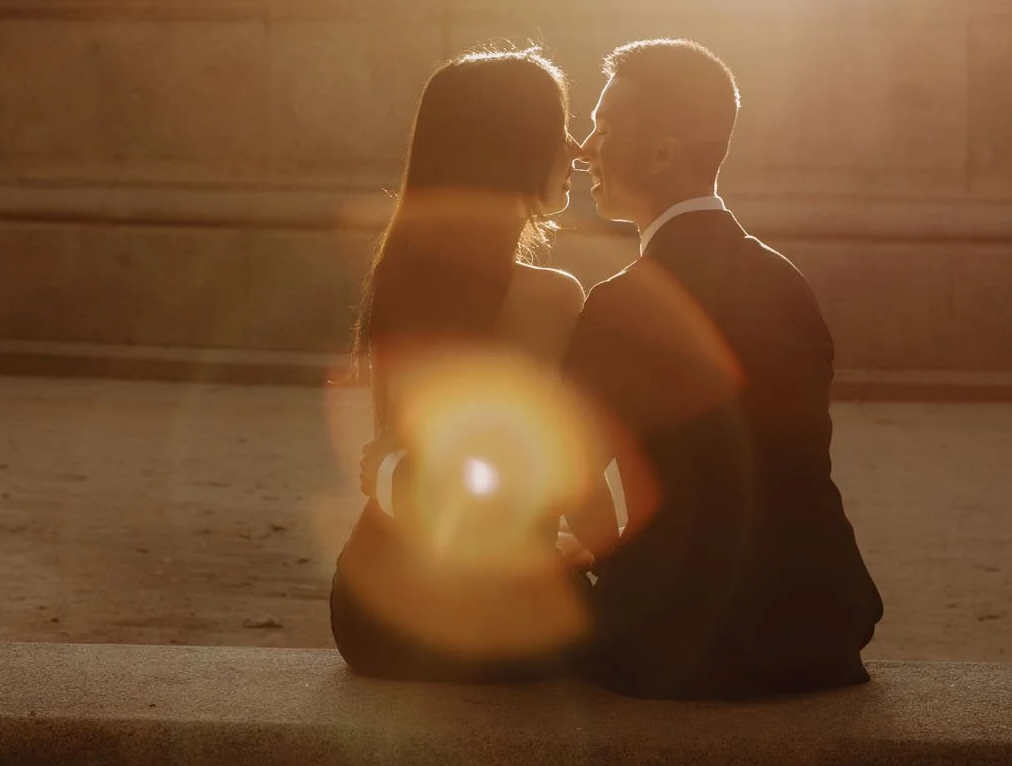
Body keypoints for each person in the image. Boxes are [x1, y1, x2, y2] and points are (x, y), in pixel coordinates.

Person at [564, 38, 883, 699]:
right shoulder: (785, 283)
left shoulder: (621, 304)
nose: (583, 149)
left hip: (672, 638)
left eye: (602, 129)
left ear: (662, 155)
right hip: (817, 627)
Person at [329, 48, 603, 682]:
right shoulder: (553, 297)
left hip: (371, 613)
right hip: (493, 620)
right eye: (558, 126)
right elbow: (574, 478)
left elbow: (401, 463)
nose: (576, 148)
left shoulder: (402, 276)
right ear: (514, 145)